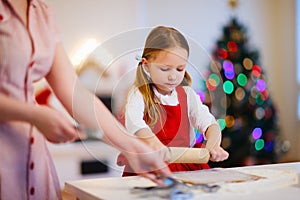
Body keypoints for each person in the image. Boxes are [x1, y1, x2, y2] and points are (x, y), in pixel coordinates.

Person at [0, 1, 172, 199]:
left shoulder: (43, 11)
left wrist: (132, 146)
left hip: (35, 166)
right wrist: (34, 114)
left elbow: (75, 92)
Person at [117, 26, 229, 176]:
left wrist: (213, 144)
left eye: (180, 69)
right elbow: (135, 123)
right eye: (165, 69)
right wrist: (154, 144)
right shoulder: (139, 94)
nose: (173, 76)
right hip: (150, 167)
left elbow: (209, 124)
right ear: (146, 66)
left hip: (186, 169)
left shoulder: (188, 95)